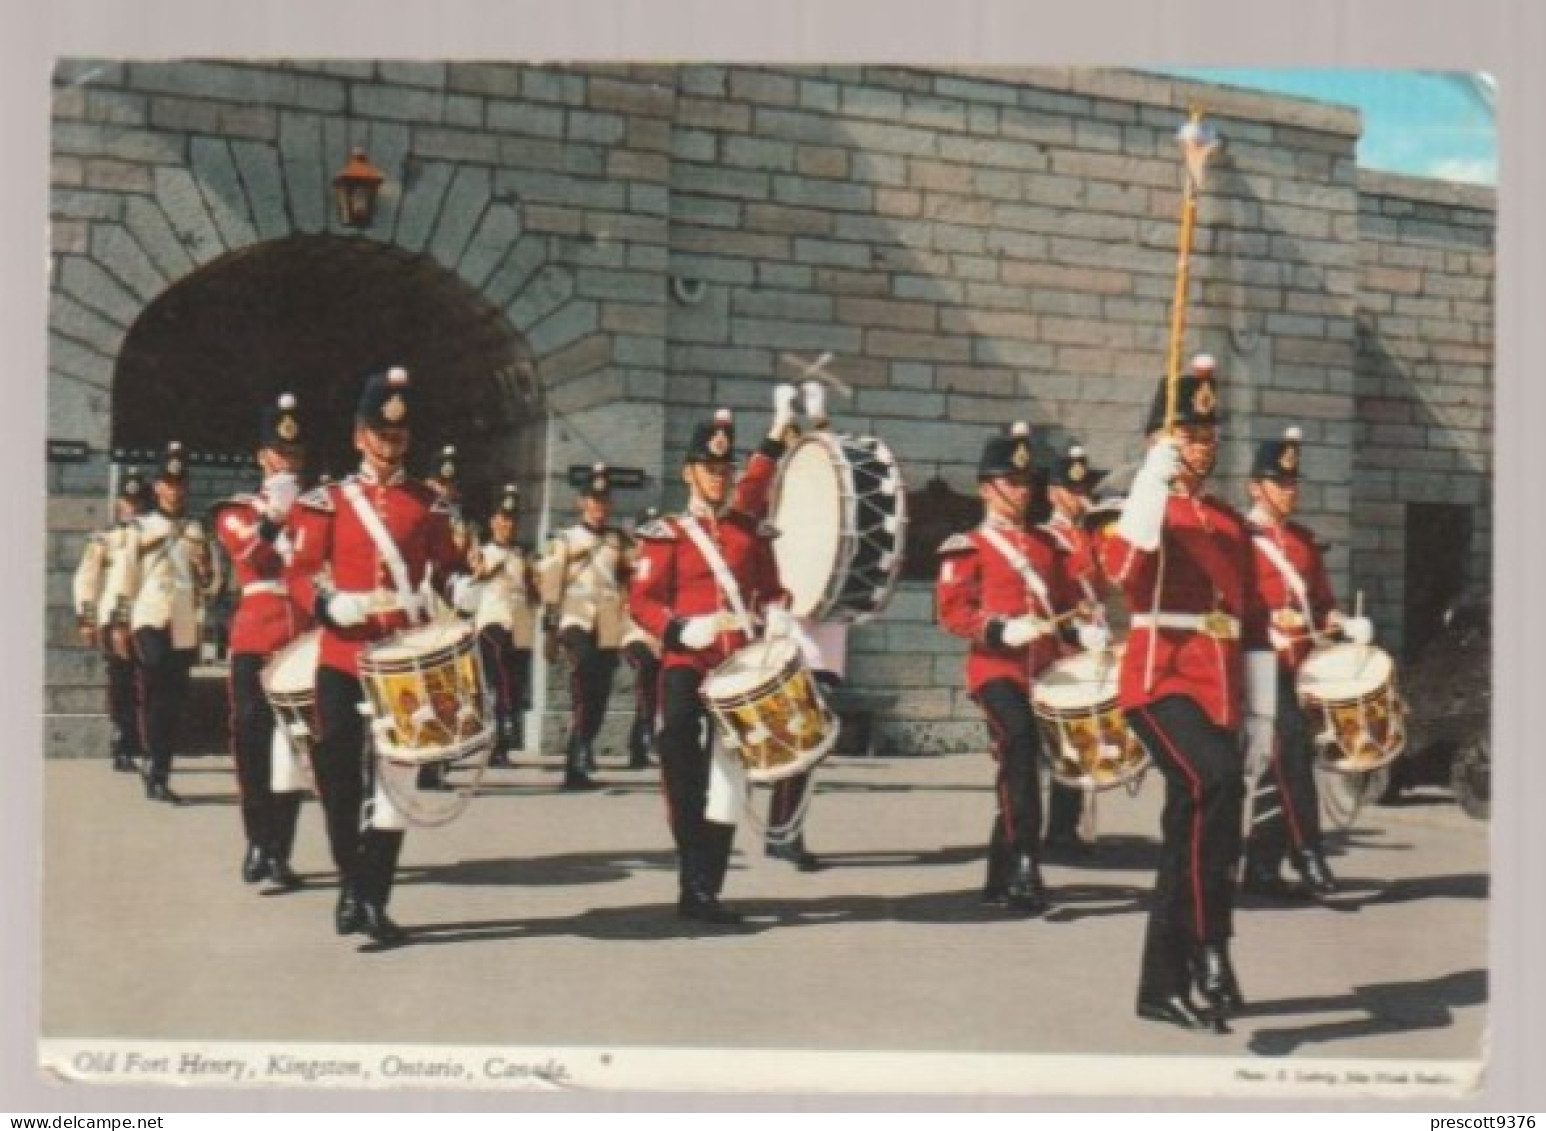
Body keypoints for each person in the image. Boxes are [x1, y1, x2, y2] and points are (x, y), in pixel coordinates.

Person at [1097, 353, 1266, 1031]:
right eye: (1188, 435)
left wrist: (1261, 713)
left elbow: (1252, 620)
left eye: (1208, 435)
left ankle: (1160, 986)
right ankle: (1212, 943)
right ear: (1157, 439)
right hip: (1160, 677)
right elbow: (1122, 570)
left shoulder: (1228, 520)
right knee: (1213, 783)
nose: (1202, 445)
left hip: (1220, 684)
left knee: (1198, 832)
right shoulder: (1144, 505)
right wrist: (1147, 483)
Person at [286, 366, 467, 945]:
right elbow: (297, 574)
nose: (391, 446)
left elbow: (447, 568)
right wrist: (326, 601)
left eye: (400, 437)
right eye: (382, 435)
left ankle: (373, 898)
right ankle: (350, 880)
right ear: (360, 436)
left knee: (397, 781)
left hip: (405, 659)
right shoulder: (327, 502)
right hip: (343, 656)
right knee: (339, 778)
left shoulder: (427, 504)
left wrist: (467, 591)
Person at [629, 391, 795, 924]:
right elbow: (642, 600)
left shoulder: (747, 533)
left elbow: (772, 589)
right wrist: (680, 627)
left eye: (724, 467)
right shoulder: (668, 536)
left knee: (729, 777)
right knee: (682, 764)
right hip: (686, 665)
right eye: (708, 467)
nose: (718, 477)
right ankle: (690, 869)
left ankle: (705, 889)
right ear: (689, 473)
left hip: (738, 669)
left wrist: (779, 615)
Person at [937, 422, 1104, 917]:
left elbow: (1067, 606)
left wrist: (1081, 634)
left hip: (1045, 673)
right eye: (1012, 483)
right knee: (1020, 745)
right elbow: (953, 612)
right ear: (986, 488)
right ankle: (1028, 862)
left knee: (1020, 769)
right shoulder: (966, 545)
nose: (1022, 492)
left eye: (1027, 483)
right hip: (996, 672)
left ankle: (999, 876)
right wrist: (998, 630)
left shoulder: (1048, 547)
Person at [1240, 427, 1374, 900]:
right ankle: (1308, 852)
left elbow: (1321, 606)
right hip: (1256, 666)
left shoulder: (1301, 542)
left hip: (1300, 668)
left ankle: (1260, 865)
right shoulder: (1238, 540)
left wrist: (1345, 623)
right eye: (1280, 483)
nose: (1290, 491)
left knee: (1284, 760)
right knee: (1291, 750)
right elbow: (1225, 605)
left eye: (1294, 483)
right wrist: (1265, 622)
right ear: (1256, 486)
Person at [211, 393, 312, 890]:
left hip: (300, 641)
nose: (285, 463)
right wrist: (276, 515)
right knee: (252, 742)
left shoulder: (317, 512)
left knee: (293, 747)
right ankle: (257, 839)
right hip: (255, 638)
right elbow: (252, 556)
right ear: (261, 457)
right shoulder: (235, 510)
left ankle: (281, 852)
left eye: (293, 456)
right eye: (278, 454)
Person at [116, 442, 222, 804]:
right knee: (156, 685)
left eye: (179, 484)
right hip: (149, 617)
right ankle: (154, 767)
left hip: (183, 622)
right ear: (157, 487)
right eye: (167, 483)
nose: (174, 490)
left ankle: (158, 768)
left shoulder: (196, 528)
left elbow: (212, 582)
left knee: (174, 699)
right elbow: (124, 577)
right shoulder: (140, 526)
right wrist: (118, 623)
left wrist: (207, 572)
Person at [537, 463, 633, 789]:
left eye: (603, 501)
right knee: (583, 684)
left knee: (600, 693)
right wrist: (549, 632)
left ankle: (584, 747)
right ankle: (574, 762)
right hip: (575, 619)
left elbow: (630, 580)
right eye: (592, 500)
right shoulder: (564, 539)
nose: (598, 507)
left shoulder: (618, 542)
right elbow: (551, 586)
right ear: (581, 503)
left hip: (607, 623)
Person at [1038, 442, 1110, 856]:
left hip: (1089, 635)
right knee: (1057, 734)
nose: (1081, 498)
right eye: (1071, 490)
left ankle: (1069, 822)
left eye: (1084, 490)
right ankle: (1053, 825)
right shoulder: (1048, 538)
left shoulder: (1088, 535)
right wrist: (1073, 628)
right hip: (1061, 641)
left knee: (1083, 731)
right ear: (1052, 493)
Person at [72, 467, 149, 773]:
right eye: (128, 503)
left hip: (146, 619)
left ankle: (146, 742)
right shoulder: (104, 540)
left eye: (138, 503)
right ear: (119, 504)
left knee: (148, 684)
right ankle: (122, 743)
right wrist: (87, 619)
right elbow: (86, 580)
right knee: (121, 684)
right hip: (113, 620)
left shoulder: (153, 537)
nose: (132, 509)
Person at [468, 484, 540, 767]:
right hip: (492, 620)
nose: (507, 525)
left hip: (520, 620)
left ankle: (503, 744)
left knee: (516, 681)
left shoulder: (524, 554)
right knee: (500, 681)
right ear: (493, 521)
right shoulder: (483, 552)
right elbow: (471, 584)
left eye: (511, 519)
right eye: (502, 518)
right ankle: (498, 734)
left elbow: (533, 591)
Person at [620, 508, 663, 771]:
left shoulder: (662, 564)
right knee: (646, 666)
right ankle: (647, 731)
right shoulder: (626, 563)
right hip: (629, 633)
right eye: (643, 536)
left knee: (654, 680)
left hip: (656, 636)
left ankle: (637, 744)